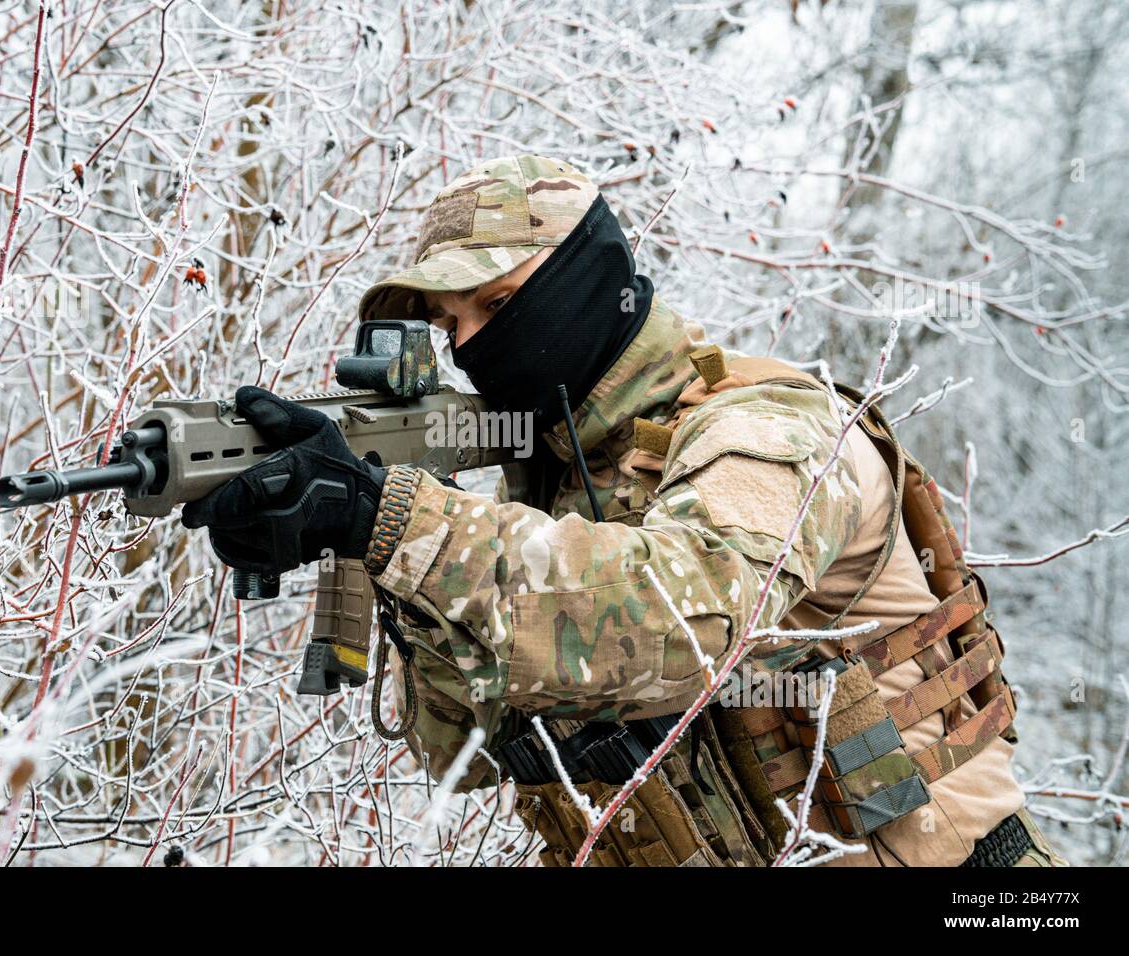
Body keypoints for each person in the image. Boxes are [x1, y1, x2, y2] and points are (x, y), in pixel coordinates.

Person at [182, 155, 1064, 867]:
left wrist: (399, 523)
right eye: (451, 325)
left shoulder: (764, 427)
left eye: (497, 302)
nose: (473, 343)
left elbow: (685, 621)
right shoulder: (559, 478)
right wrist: (381, 552)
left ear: (586, 276)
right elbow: (466, 755)